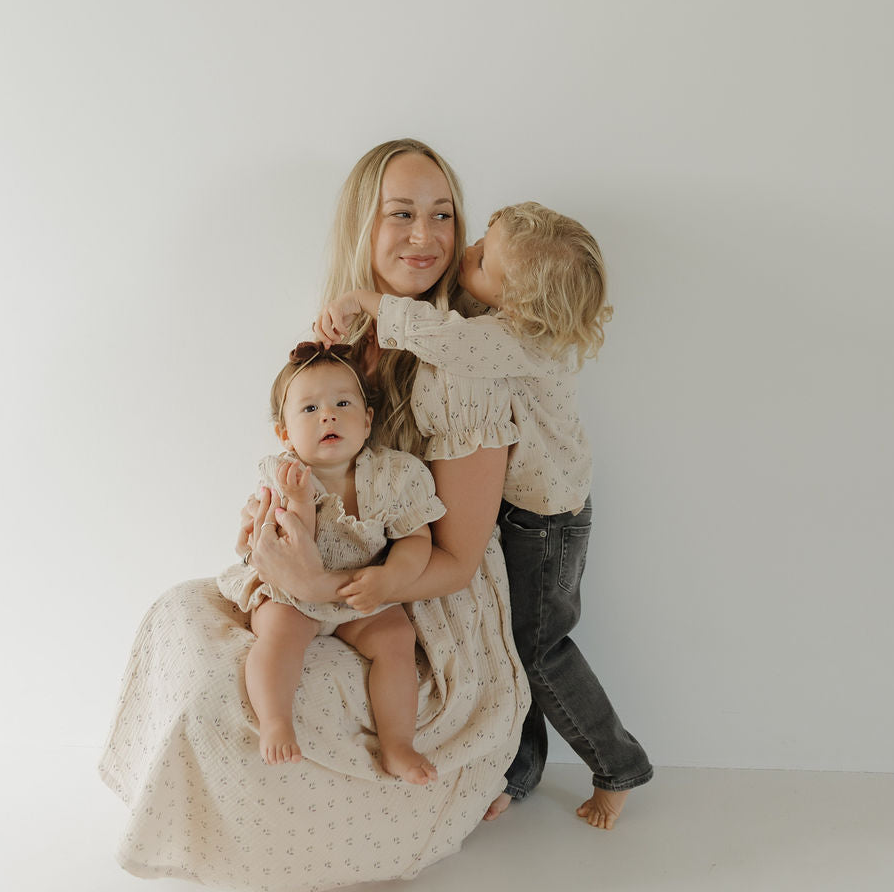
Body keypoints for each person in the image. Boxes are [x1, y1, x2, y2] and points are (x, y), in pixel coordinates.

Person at [99, 140, 530, 892]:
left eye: (443, 215)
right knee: (183, 623)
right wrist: (271, 533)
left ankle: (314, 824)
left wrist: (327, 587)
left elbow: (453, 562)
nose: (425, 237)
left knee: (267, 691)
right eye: (402, 214)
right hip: (329, 569)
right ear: (362, 227)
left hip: (420, 596)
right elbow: (307, 472)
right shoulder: (340, 349)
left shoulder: (462, 373)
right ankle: (200, 823)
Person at [318, 200, 653, 832]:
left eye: (480, 260)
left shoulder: (510, 342)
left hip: (546, 525)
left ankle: (617, 764)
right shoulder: (510, 325)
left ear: (521, 306)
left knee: (536, 651)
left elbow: (448, 340)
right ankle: (522, 768)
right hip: (538, 512)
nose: (464, 252)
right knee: (518, 645)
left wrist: (367, 300)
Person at [217, 342, 445, 784]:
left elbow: (416, 538)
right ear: (285, 434)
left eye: (343, 403)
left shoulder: (396, 475)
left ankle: (397, 743)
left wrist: (391, 577)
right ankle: (276, 720)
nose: (328, 415)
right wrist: (300, 500)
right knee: (279, 634)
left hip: (361, 592)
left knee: (397, 640)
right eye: (309, 409)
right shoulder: (281, 476)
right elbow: (288, 552)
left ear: (367, 419)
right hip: (292, 593)